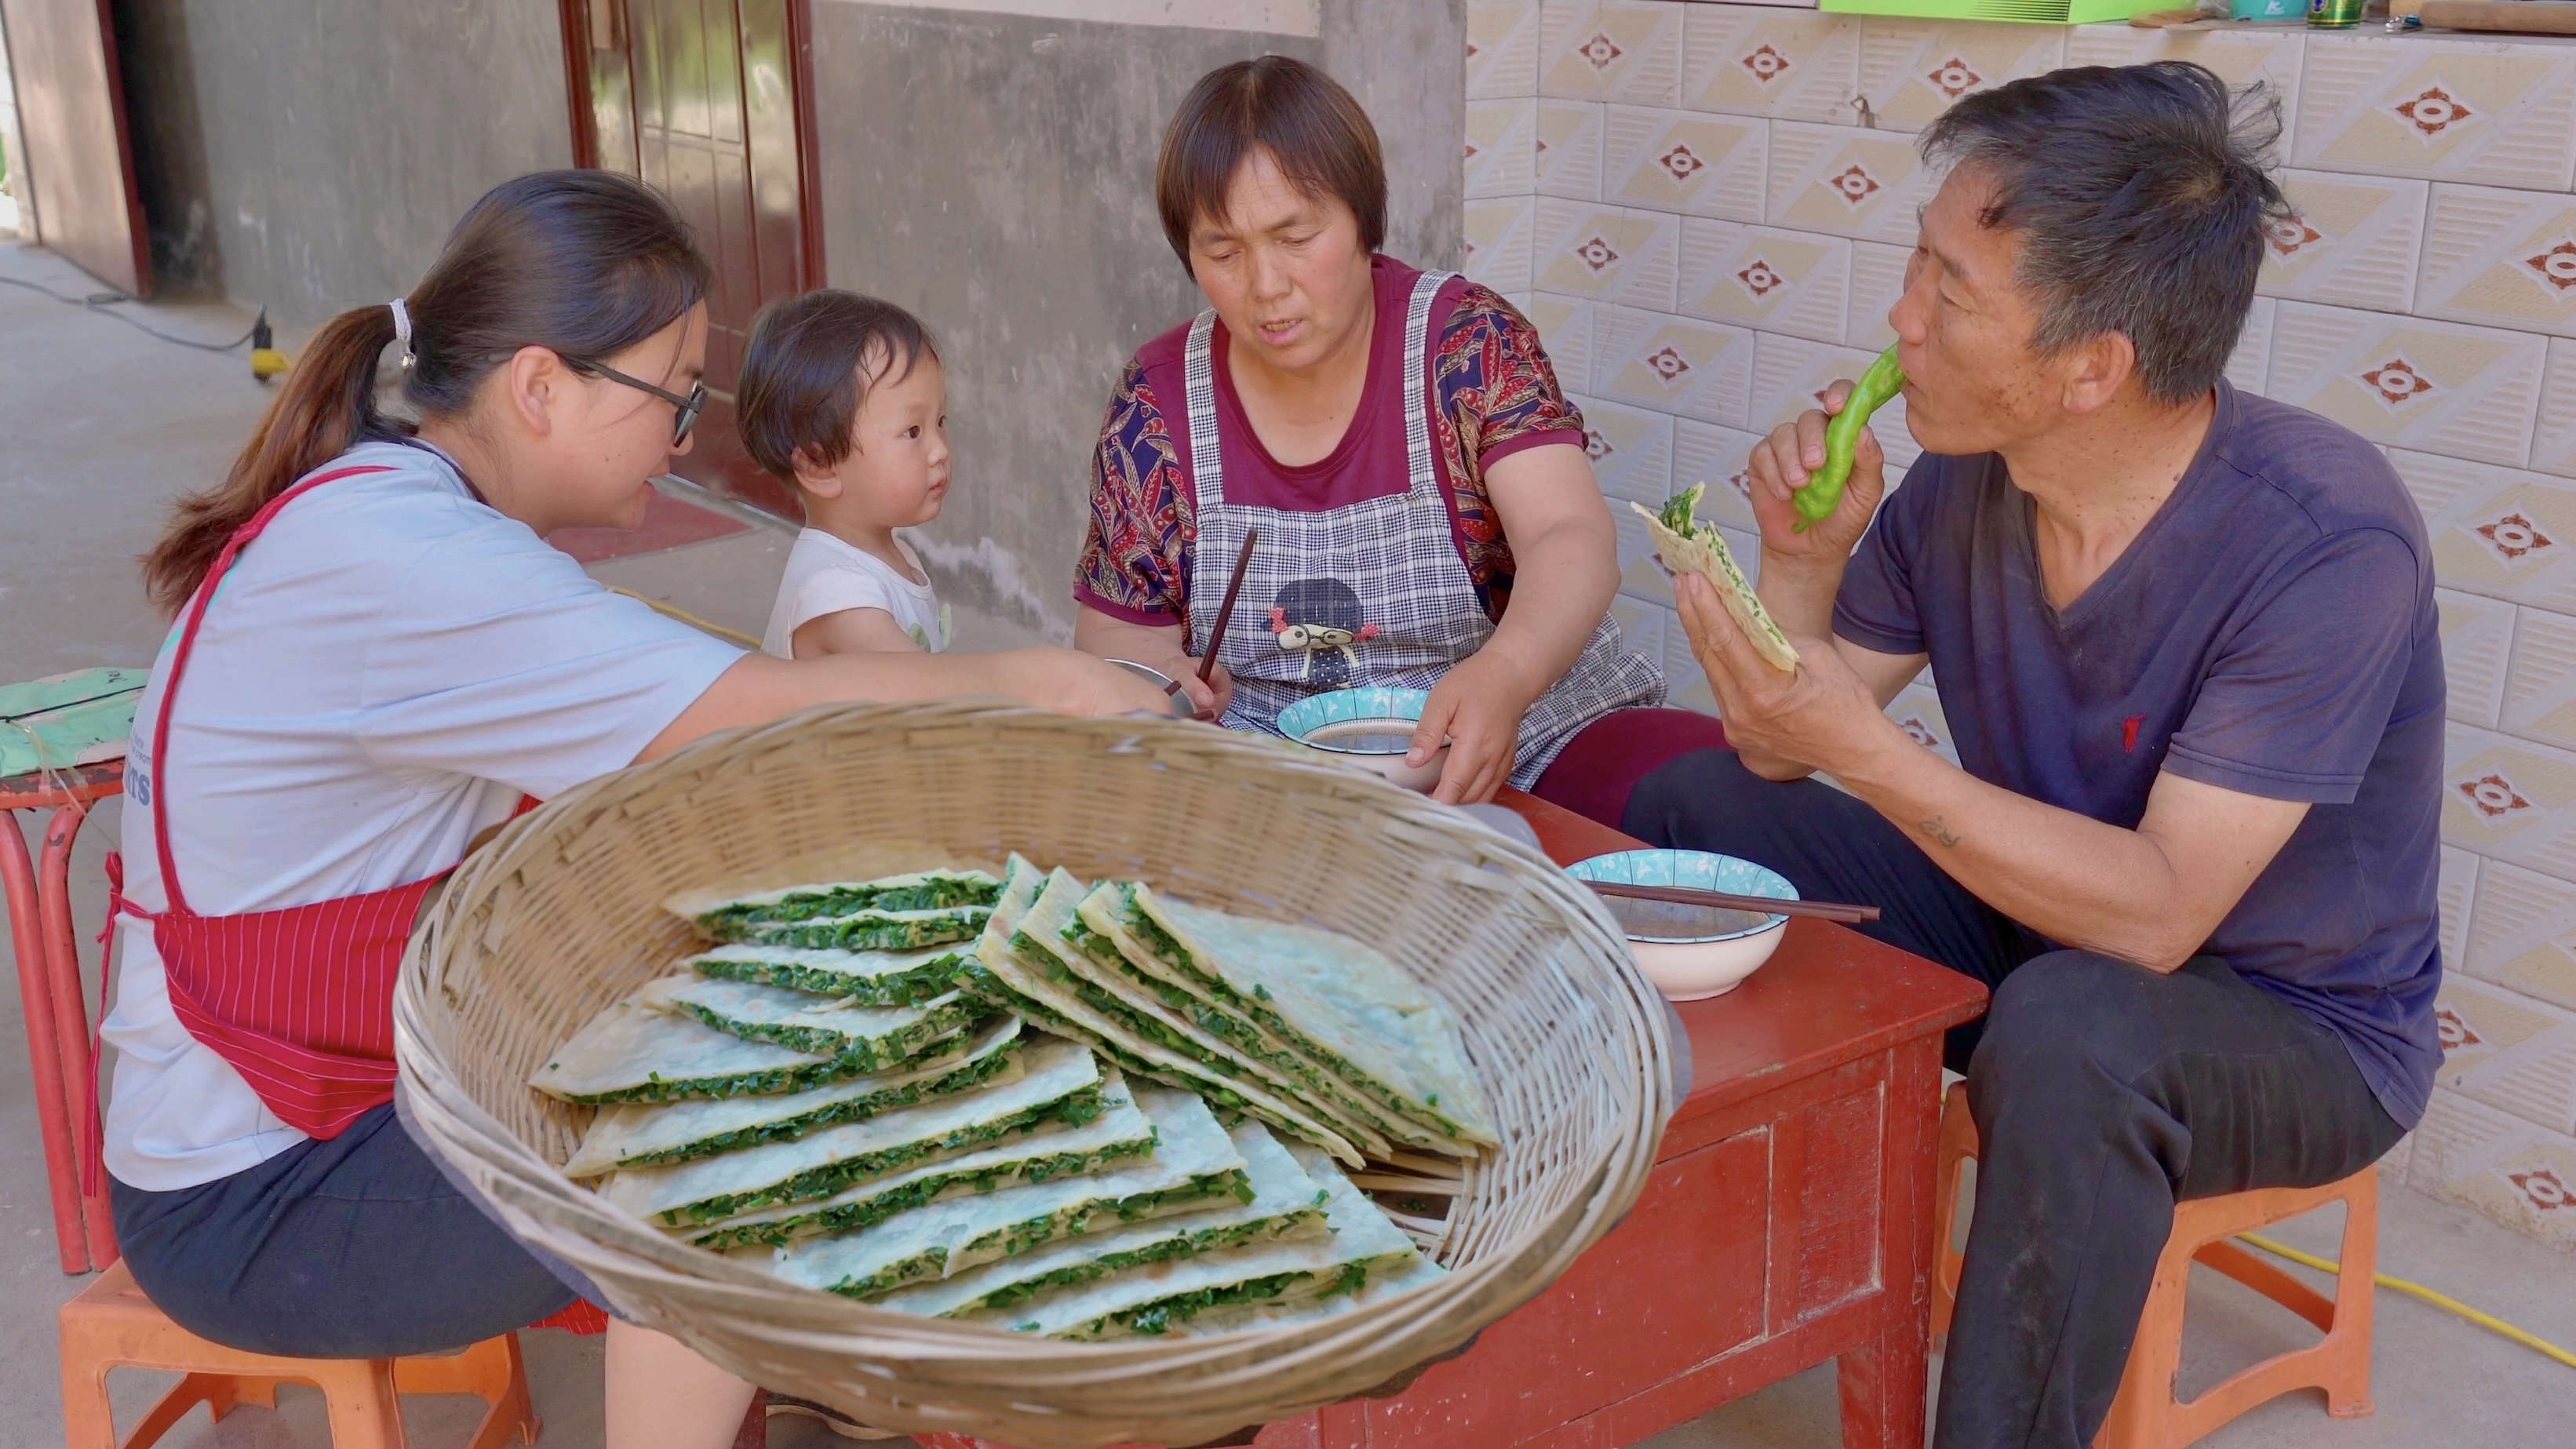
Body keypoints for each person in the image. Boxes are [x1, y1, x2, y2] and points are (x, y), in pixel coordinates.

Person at [102, 171, 1164, 1449]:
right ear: (541, 388)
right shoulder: (420, 565)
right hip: (256, 1190)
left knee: (760, 1028)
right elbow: (775, 710)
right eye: (672, 394)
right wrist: (1046, 676)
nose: (681, 436)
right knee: (738, 1171)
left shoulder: (390, 511)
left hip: (311, 1100)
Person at [1625, 63, 2439, 1449]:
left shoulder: (2320, 542)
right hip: (2040, 926)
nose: (1900, 321)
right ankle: (1731, 1255)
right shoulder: (1962, 472)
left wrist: (1872, 757)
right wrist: (1796, 567)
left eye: (1946, 293)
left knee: (2072, 1034)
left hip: (2286, 1024)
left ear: (2089, 367)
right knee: (1693, 807)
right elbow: (1772, 744)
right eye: (1914, 269)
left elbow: (2162, 910)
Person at [1073, 56, 1728, 817]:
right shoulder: (1158, 400)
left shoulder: (1467, 343)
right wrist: (1166, 681)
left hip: (1520, 728)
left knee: (1708, 789)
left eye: (1295, 237)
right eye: (1223, 251)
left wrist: (1507, 674)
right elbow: (1117, 629)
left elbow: (1568, 532)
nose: (1265, 286)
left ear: (1363, 221)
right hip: (1268, 764)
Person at [742, 291, 956, 659]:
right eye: (913, 432)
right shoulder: (839, 594)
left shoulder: (893, 554)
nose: (941, 450)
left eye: (941, 422)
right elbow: (929, 694)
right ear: (819, 466)